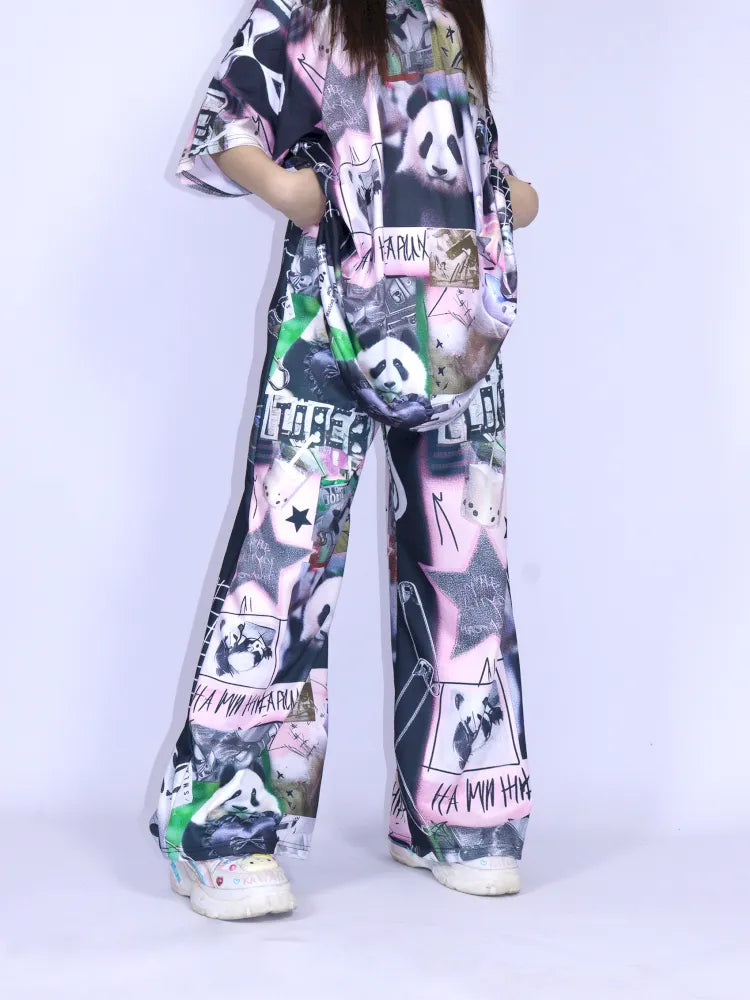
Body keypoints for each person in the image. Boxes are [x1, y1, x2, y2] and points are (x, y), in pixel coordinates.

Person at [149, 0, 539, 920]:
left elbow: (453, 144)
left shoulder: (453, 13)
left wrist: (507, 194)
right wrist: (287, 191)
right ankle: (220, 828)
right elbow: (228, 122)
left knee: (468, 567)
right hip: (326, 317)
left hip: (458, 327)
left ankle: (458, 815)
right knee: (284, 564)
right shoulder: (308, 9)